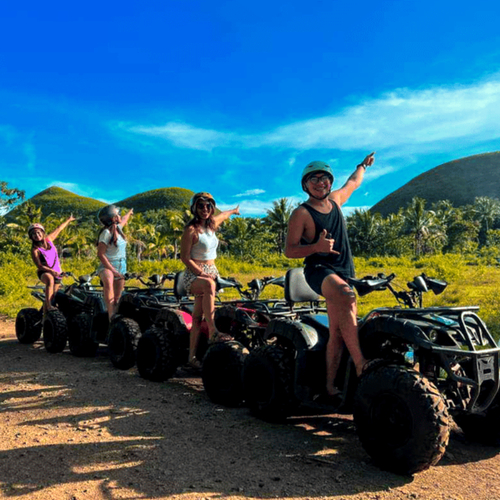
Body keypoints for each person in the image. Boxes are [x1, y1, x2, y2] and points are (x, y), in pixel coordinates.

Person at [285, 153, 375, 399]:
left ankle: (330, 387)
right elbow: (290, 250)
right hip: (318, 270)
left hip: (344, 270)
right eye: (313, 179)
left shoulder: (336, 201)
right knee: (347, 296)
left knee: (337, 331)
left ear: (330, 182)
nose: (320, 182)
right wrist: (316, 247)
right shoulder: (301, 213)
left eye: (324, 178)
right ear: (305, 185)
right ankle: (361, 364)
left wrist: (362, 166)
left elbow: (353, 183)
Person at [180, 192, 240, 369]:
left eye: (208, 206)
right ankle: (213, 331)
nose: (205, 209)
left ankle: (191, 358)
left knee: (197, 318)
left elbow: (224, 215)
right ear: (194, 208)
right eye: (201, 206)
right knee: (209, 285)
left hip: (211, 270)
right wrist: (201, 273)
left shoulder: (212, 224)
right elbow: (185, 258)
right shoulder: (191, 230)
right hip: (194, 274)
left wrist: (234, 211)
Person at [29, 215, 76, 313]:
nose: (37, 235)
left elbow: (59, 229)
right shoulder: (35, 250)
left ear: (42, 233)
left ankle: (44, 316)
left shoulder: (49, 240)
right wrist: (51, 271)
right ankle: (49, 306)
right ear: (31, 237)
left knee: (53, 296)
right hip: (44, 272)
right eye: (34, 234)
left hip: (57, 272)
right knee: (50, 280)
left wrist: (68, 220)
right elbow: (39, 266)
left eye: (38, 232)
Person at [96, 205, 134, 319]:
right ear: (113, 218)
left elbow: (124, 220)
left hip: (121, 265)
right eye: (118, 214)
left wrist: (129, 213)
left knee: (117, 297)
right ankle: (111, 315)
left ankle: (116, 317)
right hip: (107, 265)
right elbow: (100, 254)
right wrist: (112, 270)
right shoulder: (106, 233)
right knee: (108, 282)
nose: (120, 216)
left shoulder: (118, 229)